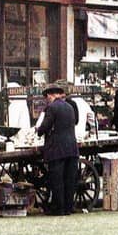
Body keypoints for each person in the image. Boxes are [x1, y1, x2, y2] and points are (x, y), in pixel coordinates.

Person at [35, 84, 79, 216]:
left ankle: (59, 208)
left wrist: (38, 131)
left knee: (57, 180)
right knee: (69, 180)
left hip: (57, 148)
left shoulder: (52, 108)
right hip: (72, 147)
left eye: (47, 97)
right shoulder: (70, 107)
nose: (46, 99)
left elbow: (45, 126)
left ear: (51, 95)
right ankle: (68, 207)